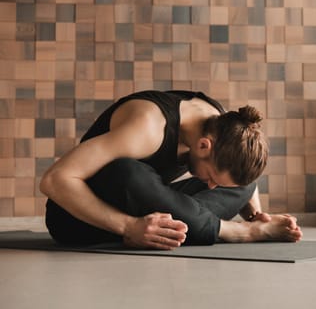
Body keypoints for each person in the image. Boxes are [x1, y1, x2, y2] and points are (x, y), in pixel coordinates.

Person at [40, 90, 302, 249]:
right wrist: (130, 227)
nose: (210, 185)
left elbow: (233, 180)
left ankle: (192, 224)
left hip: (153, 203)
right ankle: (235, 233)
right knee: (129, 172)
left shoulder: (218, 120)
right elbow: (55, 180)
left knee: (242, 183)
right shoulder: (147, 127)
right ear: (203, 145)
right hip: (77, 218)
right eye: (210, 177)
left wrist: (255, 214)